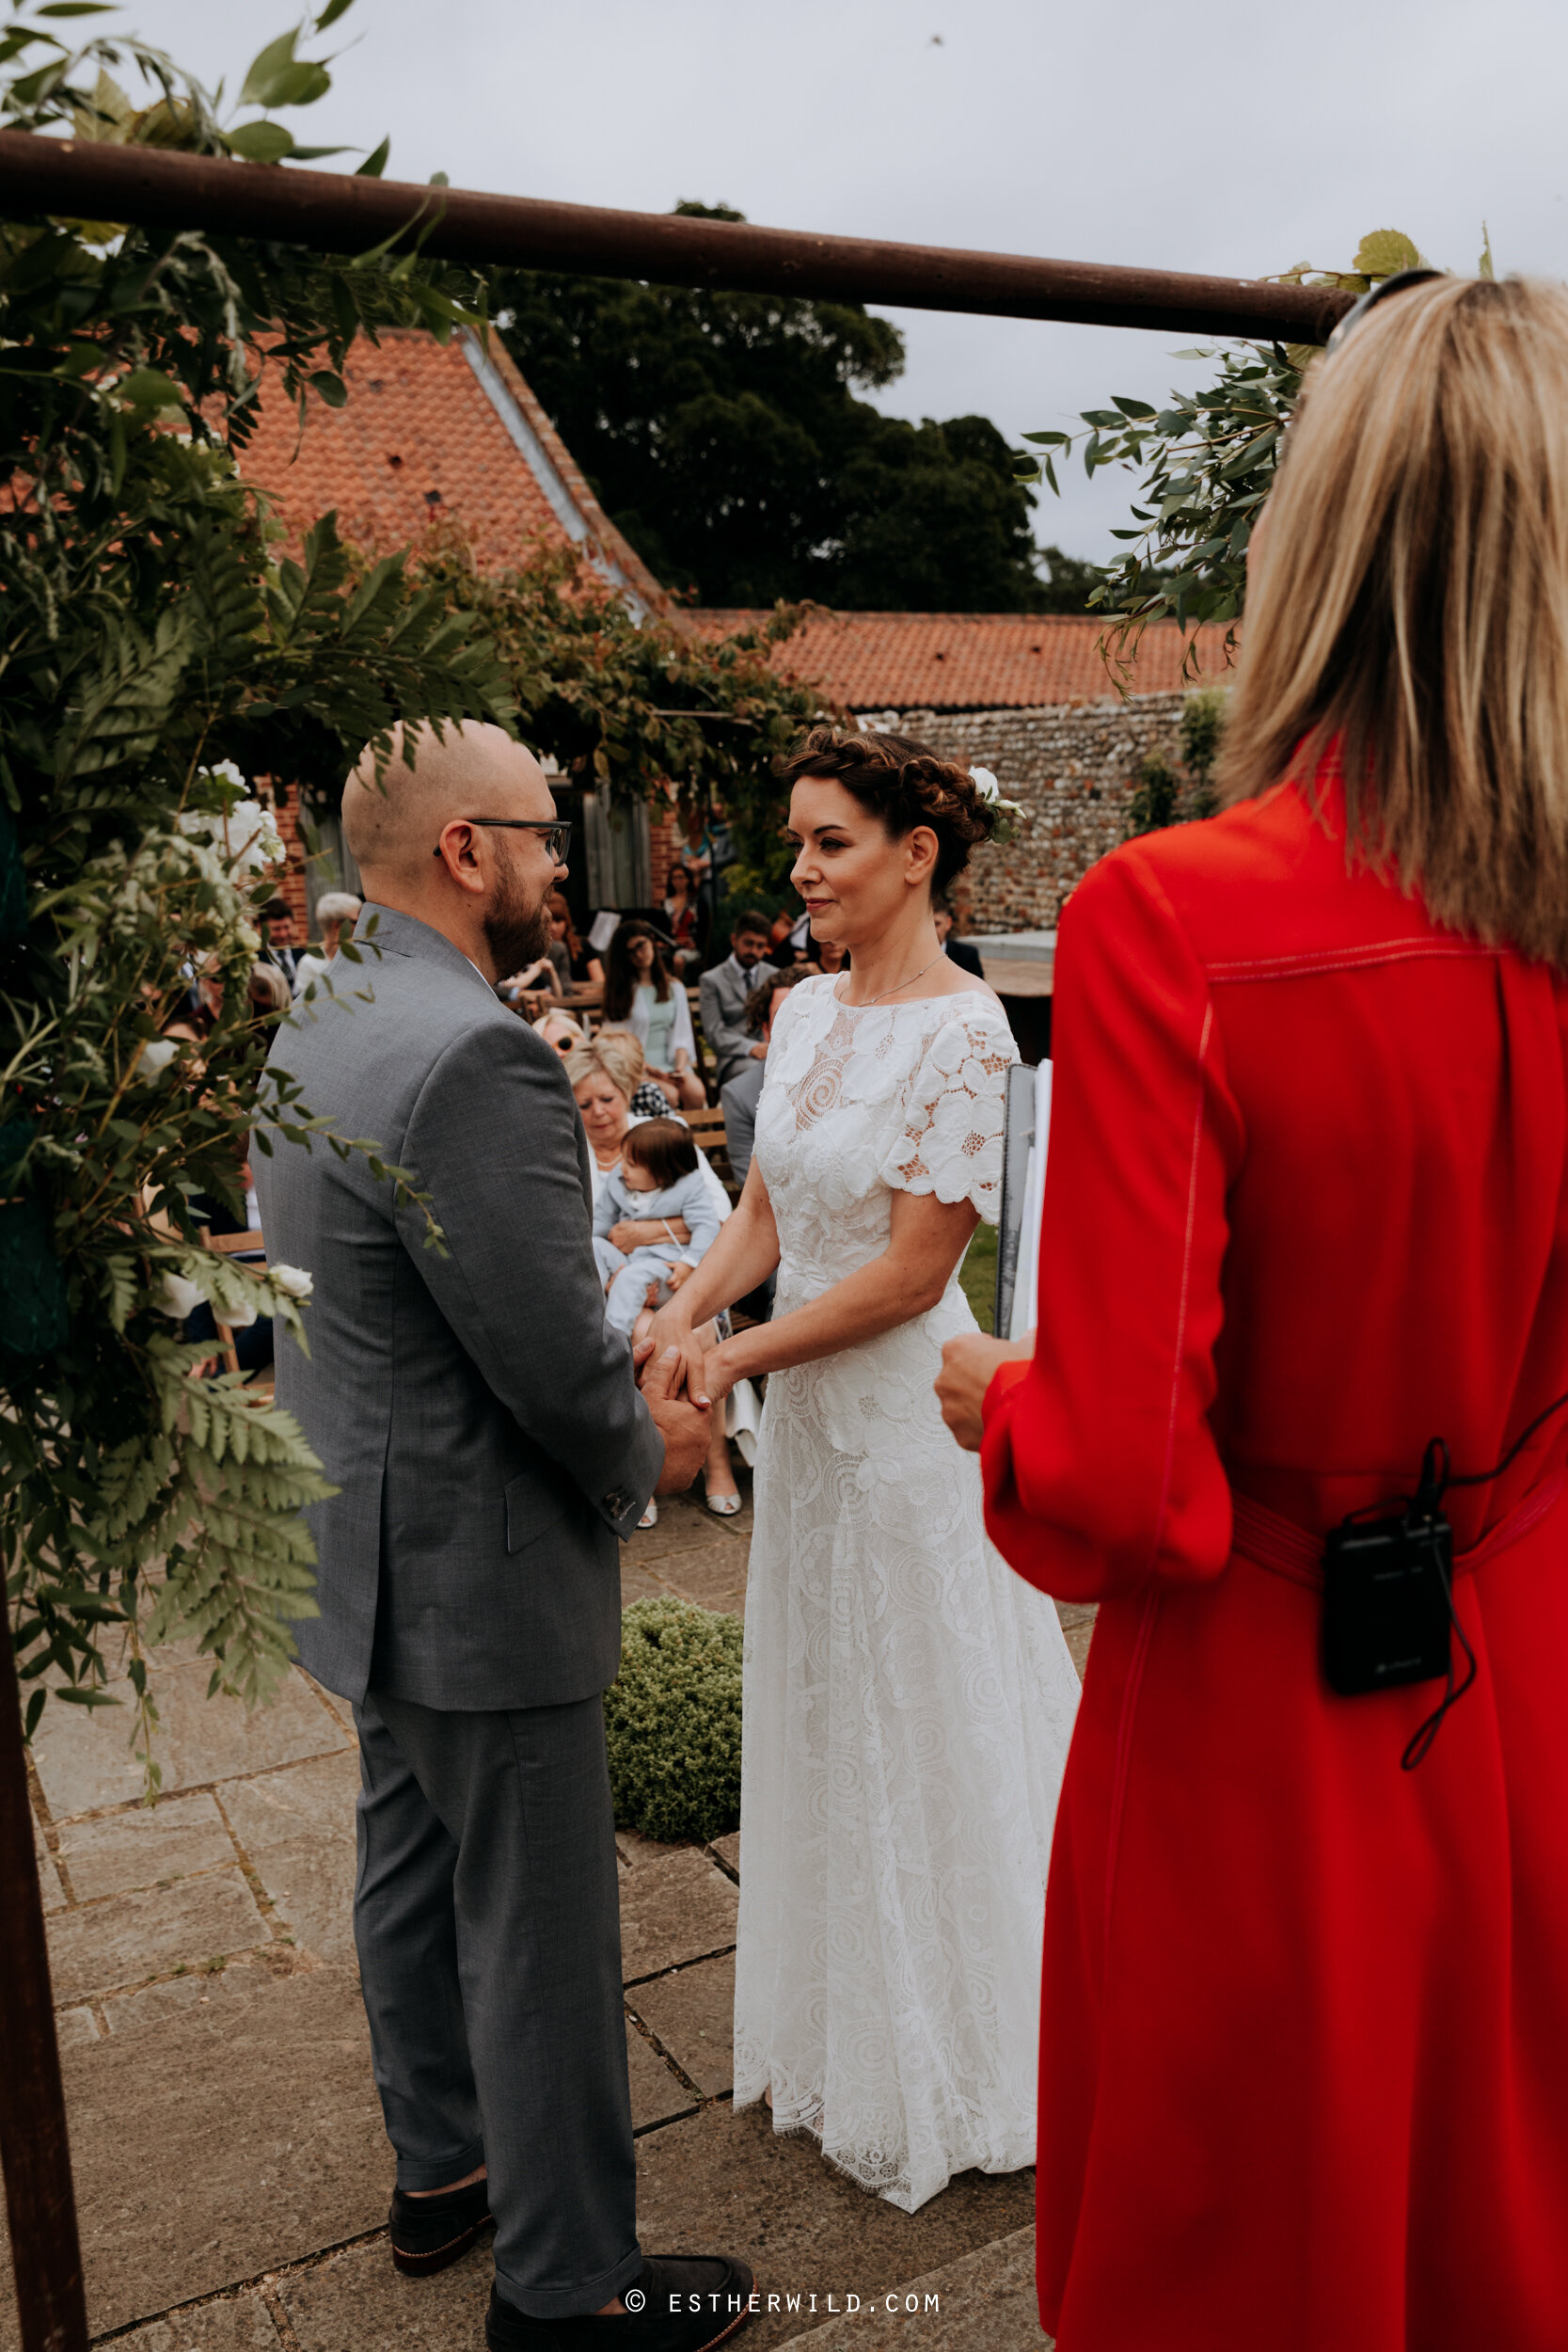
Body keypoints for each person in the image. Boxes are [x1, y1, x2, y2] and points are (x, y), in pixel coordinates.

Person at [936, 272, 1568, 2352]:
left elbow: (1122, 1483)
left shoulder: (1171, 922)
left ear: (1311, 542)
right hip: (1537, 1669)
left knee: (1256, 2267)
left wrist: (998, 1398)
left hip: (1272, 1736)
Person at [252, 720, 750, 2352]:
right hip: (479, 1564)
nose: (563, 872)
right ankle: (569, 2290)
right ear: (466, 851)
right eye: (545, 836)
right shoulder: (473, 1056)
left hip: (364, 1543)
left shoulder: (318, 1011)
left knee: (404, 1868)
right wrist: (648, 1459)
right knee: (534, 1927)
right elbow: (545, 1349)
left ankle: (444, 2171)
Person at [648, 724, 1081, 2212]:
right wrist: (686, 1307)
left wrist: (736, 1361)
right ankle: (849, 2027)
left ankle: (984, 2049)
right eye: (797, 842)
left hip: (905, 1431)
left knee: (931, 1707)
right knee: (827, 1707)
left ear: (916, 856)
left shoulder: (967, 1033)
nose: (800, 870)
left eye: (828, 842)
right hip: (815, 1452)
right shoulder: (803, 1012)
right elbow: (765, 1218)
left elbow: (909, 1277)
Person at [568, 1037, 741, 1518]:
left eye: (608, 1099)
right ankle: (638, 1466)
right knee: (644, 1333)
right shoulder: (569, 1150)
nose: (599, 1112)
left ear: (626, 1093)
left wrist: (644, 1232)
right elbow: (581, 1234)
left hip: (685, 1278)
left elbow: (720, 1217)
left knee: (691, 1329)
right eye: (584, 1103)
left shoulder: (663, 1136)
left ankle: (715, 1459)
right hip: (612, 1288)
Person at [594, 1117, 721, 1339]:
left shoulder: (688, 1187)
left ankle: (613, 1344)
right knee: (594, 1246)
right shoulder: (619, 1180)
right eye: (623, 1158)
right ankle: (591, 1319)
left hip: (670, 1270)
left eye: (631, 1164)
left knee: (629, 1279)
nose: (622, 1167)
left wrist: (689, 1264)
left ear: (662, 1173)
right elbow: (601, 1221)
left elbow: (707, 1226)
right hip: (631, 1263)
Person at [720, 964, 818, 1191]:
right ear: (766, 1029)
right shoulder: (739, 1095)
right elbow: (749, 1186)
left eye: (806, 1011)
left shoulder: (852, 1079)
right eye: (784, 1014)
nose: (798, 1022)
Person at [600, 920, 705, 1111]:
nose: (639, 954)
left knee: (696, 1093)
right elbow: (615, 1043)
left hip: (672, 1064)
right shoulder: (621, 993)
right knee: (669, 1096)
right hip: (638, 1068)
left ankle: (691, 1138)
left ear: (651, 941)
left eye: (641, 945)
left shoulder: (674, 988)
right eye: (631, 951)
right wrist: (651, 1070)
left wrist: (680, 1069)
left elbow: (683, 1035)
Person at [698, 914, 777, 1089]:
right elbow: (714, 1032)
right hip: (735, 1058)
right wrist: (751, 1047)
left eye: (760, 946)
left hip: (774, 1053)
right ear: (734, 940)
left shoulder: (774, 976)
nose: (754, 951)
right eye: (748, 943)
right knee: (760, 1074)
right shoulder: (712, 980)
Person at [293, 890, 363, 997]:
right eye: (356, 921)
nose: (361, 925)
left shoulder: (361, 956)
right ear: (337, 926)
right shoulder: (309, 964)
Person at [662, 861, 708, 978]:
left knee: (678, 959)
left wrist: (696, 943)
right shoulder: (666, 903)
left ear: (688, 879)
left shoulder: (696, 902)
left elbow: (704, 926)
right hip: (671, 944)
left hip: (691, 946)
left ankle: (679, 987)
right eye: (674, 878)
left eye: (680, 877)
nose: (677, 881)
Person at [549, 892, 603, 988]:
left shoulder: (583, 945)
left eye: (558, 920)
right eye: (548, 921)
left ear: (567, 921)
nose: (553, 927)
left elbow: (600, 983)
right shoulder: (535, 951)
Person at [932, 892, 984, 978]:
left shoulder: (967, 955)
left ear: (948, 923)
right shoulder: (913, 955)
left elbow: (978, 990)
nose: (932, 930)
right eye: (928, 925)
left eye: (937, 924)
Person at [259, 895, 302, 990]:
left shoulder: (303, 955)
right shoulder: (255, 961)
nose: (283, 934)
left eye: (287, 927)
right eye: (276, 929)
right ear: (263, 929)